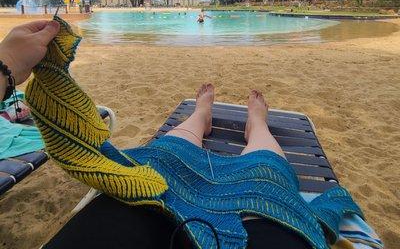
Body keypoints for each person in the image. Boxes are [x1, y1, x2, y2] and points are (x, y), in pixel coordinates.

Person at [1, 20, 367, 249]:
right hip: (258, 220)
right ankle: (251, 126)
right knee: (266, 173)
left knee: (166, 156)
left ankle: (207, 117)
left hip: (146, 201)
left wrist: (10, 66)